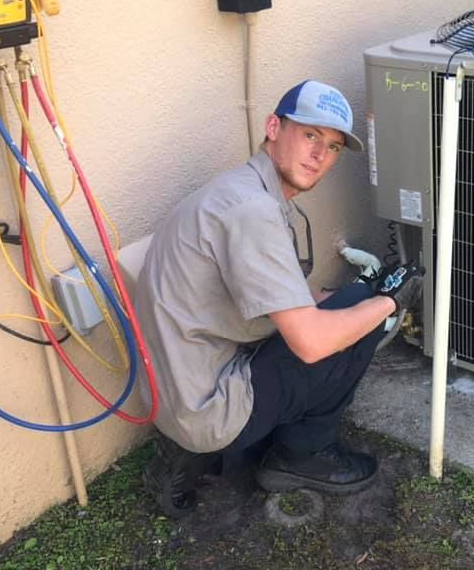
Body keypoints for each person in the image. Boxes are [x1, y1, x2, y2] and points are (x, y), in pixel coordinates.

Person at [136, 79, 424, 517]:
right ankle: (302, 455)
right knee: (358, 322)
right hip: (207, 405)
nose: (319, 155)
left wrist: (340, 299)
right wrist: (388, 302)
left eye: (331, 147)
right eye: (310, 135)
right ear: (274, 126)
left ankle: (218, 449)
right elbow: (311, 343)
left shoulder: (238, 191)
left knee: (346, 301)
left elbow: (274, 297)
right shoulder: (254, 212)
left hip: (177, 388)